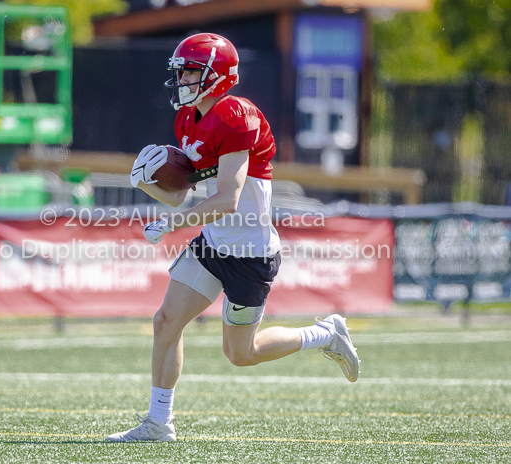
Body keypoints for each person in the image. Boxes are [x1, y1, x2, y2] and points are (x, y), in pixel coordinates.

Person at [106, 33, 359, 443]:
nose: (182, 79)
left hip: (250, 253)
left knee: (242, 354)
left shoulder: (237, 115)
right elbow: (181, 194)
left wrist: (173, 225)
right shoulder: (188, 119)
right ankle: (158, 422)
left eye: (190, 71)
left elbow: (227, 198)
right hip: (213, 244)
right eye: (181, 71)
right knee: (166, 322)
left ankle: (325, 334)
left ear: (216, 76)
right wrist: (147, 185)